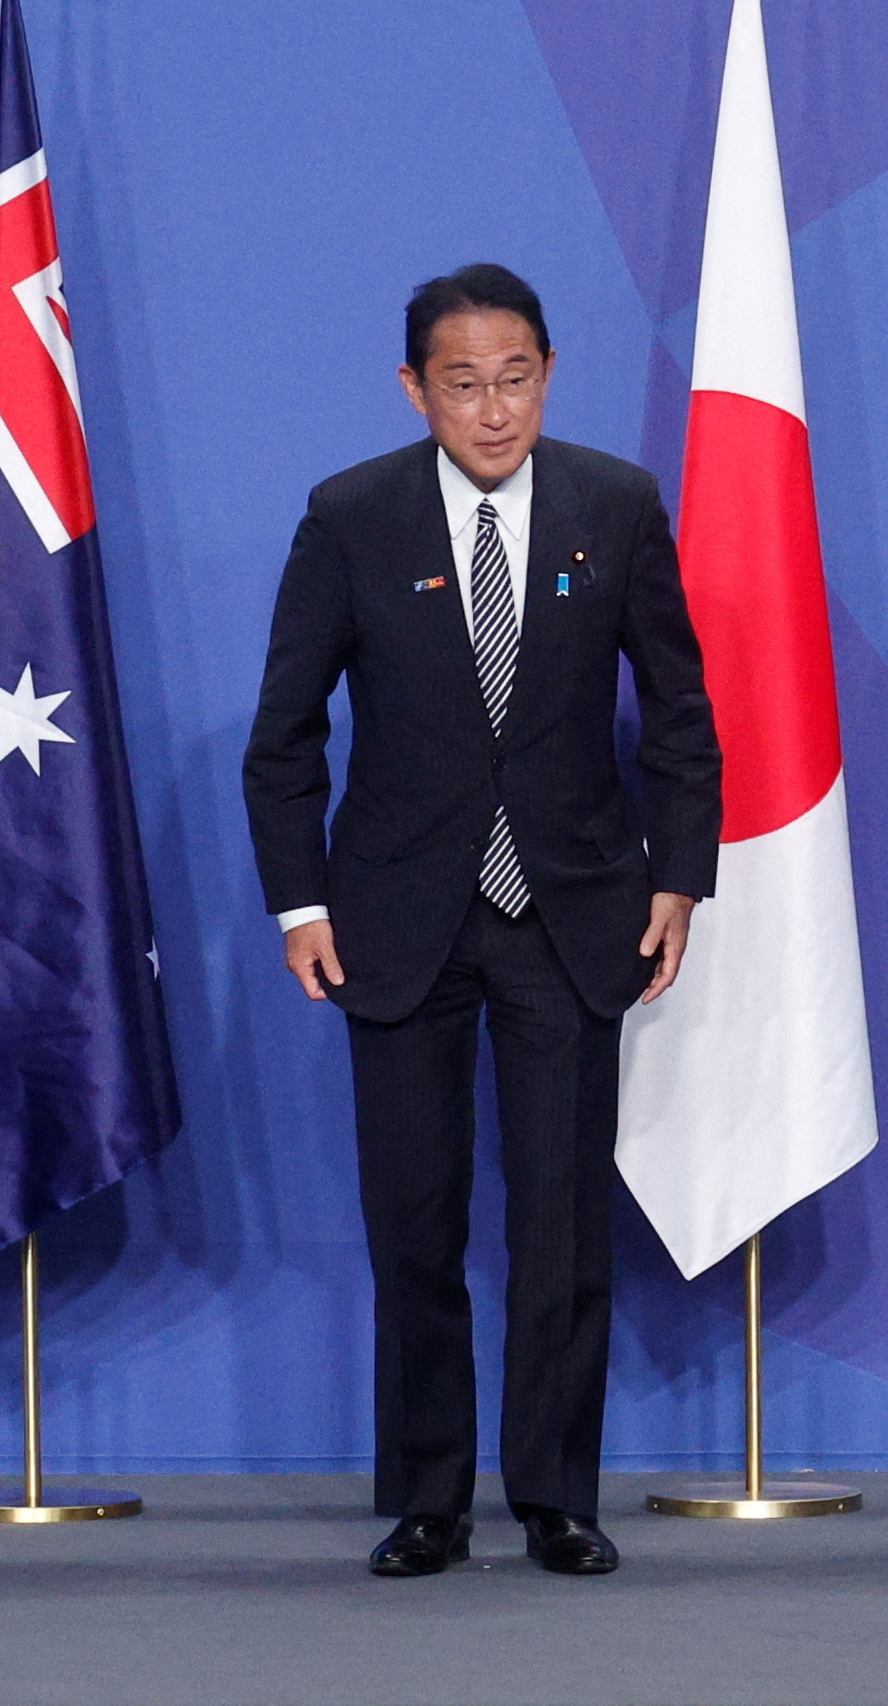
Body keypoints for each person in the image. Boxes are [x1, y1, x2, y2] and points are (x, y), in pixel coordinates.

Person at [243, 265, 720, 1579]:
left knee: (563, 1223)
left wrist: (680, 877)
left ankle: (558, 1496)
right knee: (418, 1220)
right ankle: (431, 1500)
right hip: (398, 920)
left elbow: (679, 709)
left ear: (548, 375)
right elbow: (283, 736)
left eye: (515, 379)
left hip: (571, 915)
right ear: (415, 389)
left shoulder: (613, 504)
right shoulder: (351, 516)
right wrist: (301, 904)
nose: (492, 409)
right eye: (462, 383)